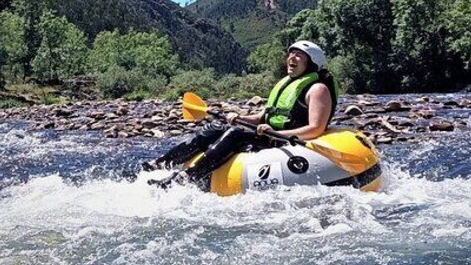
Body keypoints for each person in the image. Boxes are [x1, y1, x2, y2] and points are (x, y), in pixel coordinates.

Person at [143, 40, 338, 188]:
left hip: (287, 142)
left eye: (298, 55)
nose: (291, 58)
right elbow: (262, 117)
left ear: (312, 62)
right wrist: (239, 117)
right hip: (269, 135)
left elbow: (316, 128)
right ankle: (159, 164)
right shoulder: (286, 84)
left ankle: (188, 177)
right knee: (216, 128)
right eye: (291, 54)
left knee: (235, 134)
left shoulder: (317, 89)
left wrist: (276, 132)